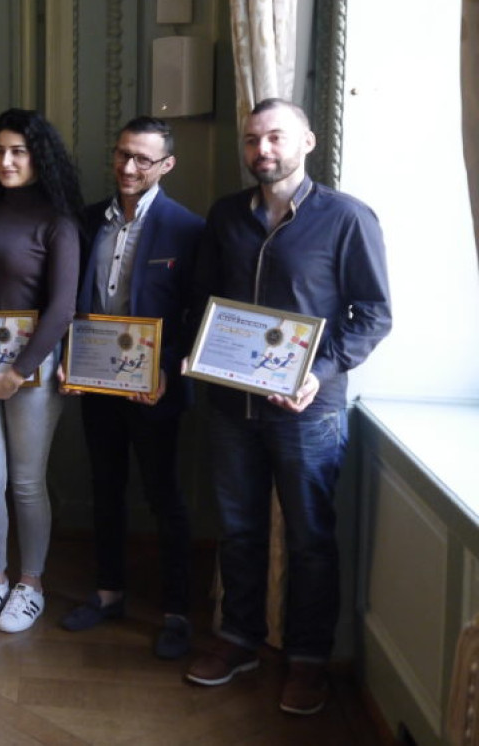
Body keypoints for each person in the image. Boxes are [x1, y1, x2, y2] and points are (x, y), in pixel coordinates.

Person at [184, 98, 390, 715]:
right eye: (252, 140)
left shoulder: (348, 219)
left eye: (275, 137)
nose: (261, 150)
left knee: (309, 539)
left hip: (309, 411)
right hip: (229, 406)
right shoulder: (224, 216)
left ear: (307, 142)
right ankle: (239, 638)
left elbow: (373, 315)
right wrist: (199, 353)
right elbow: (204, 299)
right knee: (239, 529)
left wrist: (319, 371)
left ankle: (306, 659)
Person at [58, 116, 204, 659]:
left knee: (164, 496)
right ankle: (108, 592)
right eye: (122, 154)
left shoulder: (187, 229)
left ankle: (175, 611)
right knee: (105, 488)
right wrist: (69, 357)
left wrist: (168, 366)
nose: (128, 167)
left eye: (143, 159)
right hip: (96, 382)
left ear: (165, 165)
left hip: (156, 388)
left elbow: (197, 313)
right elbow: (74, 300)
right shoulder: (86, 220)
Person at [0, 109, 82, 635]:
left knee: (27, 484)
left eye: (18, 152)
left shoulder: (59, 220)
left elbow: (62, 308)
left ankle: (29, 583)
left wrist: (20, 370)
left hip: (32, 367)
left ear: (38, 157)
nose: (6, 161)